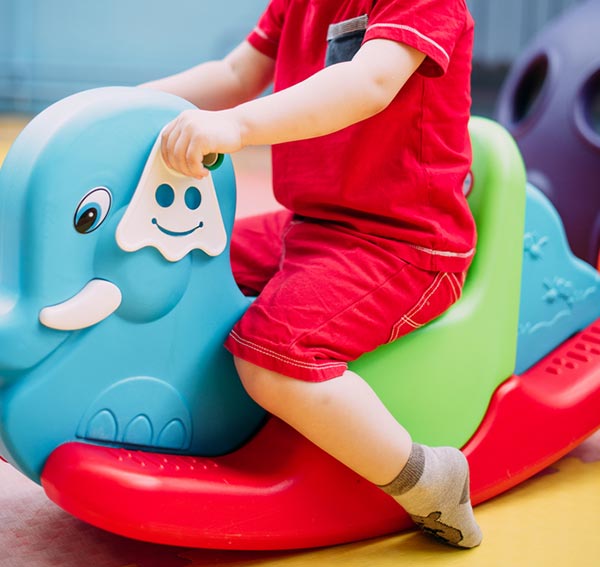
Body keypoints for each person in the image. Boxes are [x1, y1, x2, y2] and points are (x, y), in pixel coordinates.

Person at [143, 0, 482, 549]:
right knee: (183, 257)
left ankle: (430, 479)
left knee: (274, 358)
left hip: (402, 243)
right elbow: (235, 73)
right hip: (309, 223)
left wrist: (238, 124)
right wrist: (127, 104)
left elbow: (370, 80)